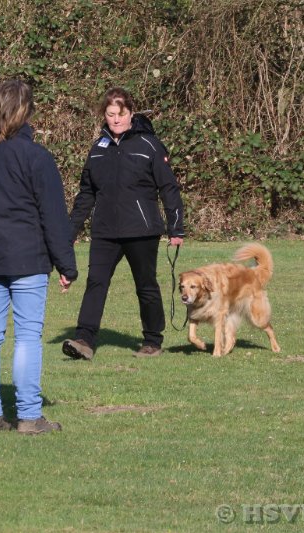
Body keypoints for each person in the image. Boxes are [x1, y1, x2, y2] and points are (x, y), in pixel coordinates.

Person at [0, 80, 78, 435]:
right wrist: (66, 264)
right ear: (26, 112)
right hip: (27, 259)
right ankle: (28, 416)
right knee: (27, 336)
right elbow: (53, 216)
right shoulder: (36, 157)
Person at [62, 86, 184, 361]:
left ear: (131, 113)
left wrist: (176, 227)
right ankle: (84, 340)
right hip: (105, 230)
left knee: (146, 285)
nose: (116, 120)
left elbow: (168, 188)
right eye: (110, 114)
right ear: (104, 115)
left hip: (141, 230)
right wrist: (71, 230)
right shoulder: (97, 149)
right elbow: (86, 193)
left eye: (121, 114)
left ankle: (152, 340)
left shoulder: (149, 145)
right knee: (96, 282)